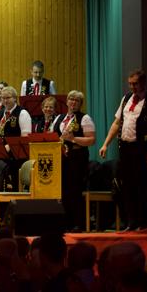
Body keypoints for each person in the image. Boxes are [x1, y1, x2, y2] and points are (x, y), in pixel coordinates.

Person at [99, 69, 147, 231]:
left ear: (143, 83)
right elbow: (116, 123)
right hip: (126, 148)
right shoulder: (126, 98)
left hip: (142, 148)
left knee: (143, 185)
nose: (132, 87)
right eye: (130, 84)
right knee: (127, 185)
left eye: (135, 84)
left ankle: (144, 223)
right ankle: (131, 221)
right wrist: (105, 144)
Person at [52, 90, 96, 231]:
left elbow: (91, 140)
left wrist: (73, 139)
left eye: (77, 100)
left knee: (75, 190)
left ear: (80, 104)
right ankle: (66, 223)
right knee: (63, 191)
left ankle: (78, 223)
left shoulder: (85, 118)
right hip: (61, 158)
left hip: (77, 158)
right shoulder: (59, 118)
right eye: (71, 99)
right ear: (66, 101)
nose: (73, 102)